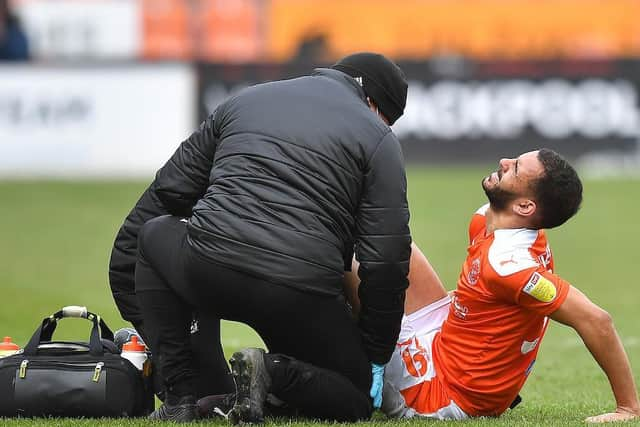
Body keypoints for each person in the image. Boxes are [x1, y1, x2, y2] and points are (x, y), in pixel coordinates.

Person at [129, 52, 411, 423]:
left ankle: (181, 398)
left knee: (154, 235)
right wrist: (374, 354)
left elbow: (170, 190)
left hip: (210, 267)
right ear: (373, 103)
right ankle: (271, 371)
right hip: (299, 291)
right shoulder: (379, 139)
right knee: (355, 398)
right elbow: (386, 262)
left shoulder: (246, 99)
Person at [343, 149, 639, 423]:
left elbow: (597, 320)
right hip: (440, 340)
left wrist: (628, 408)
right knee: (386, 238)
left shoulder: (509, 265)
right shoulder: (491, 221)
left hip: (440, 394)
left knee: (346, 250)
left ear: (525, 205)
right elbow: (489, 300)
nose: (504, 162)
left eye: (516, 168)